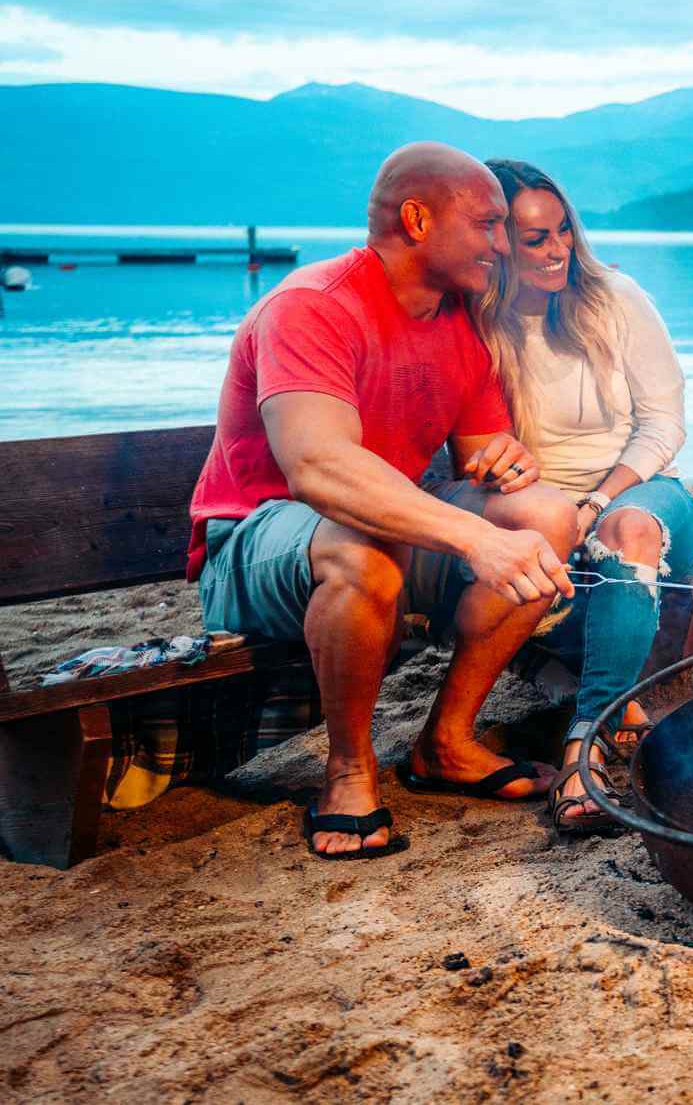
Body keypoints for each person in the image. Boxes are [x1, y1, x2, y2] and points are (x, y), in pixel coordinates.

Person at [187, 142, 579, 861]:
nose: (503, 243)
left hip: (388, 534)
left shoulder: (461, 321)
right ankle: (348, 770)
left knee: (549, 516)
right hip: (254, 544)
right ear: (416, 219)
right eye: (488, 224)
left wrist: (509, 462)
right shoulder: (312, 307)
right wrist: (476, 540)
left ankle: (447, 742)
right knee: (363, 544)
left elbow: (480, 453)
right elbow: (318, 467)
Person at [468, 158, 693, 836]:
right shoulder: (474, 323)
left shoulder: (613, 297)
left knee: (632, 534)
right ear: (495, 241)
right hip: (534, 514)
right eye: (535, 238)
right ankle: (608, 700)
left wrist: (595, 503)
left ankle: (583, 744)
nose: (558, 249)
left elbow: (665, 423)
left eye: (563, 230)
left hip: (639, 492)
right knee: (531, 568)